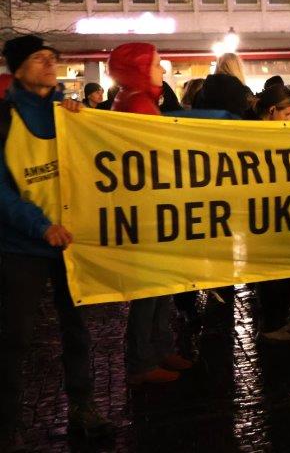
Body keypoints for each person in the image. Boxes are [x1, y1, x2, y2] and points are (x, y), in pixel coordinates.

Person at [0, 35, 114, 449]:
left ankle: (84, 406)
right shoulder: (4, 119)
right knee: (14, 338)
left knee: (77, 329)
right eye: (38, 58)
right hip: (22, 247)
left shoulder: (68, 113)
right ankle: (7, 425)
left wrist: (87, 122)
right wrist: (40, 226)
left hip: (71, 242)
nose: (49, 64)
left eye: (52, 58)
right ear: (17, 68)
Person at [108, 42, 193, 385]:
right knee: (151, 287)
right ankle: (143, 361)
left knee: (162, 283)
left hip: (150, 207)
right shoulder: (138, 104)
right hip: (148, 210)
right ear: (140, 69)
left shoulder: (136, 99)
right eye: (157, 64)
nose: (163, 70)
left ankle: (159, 348)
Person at [252, 86, 290, 342]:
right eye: (287, 115)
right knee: (274, 274)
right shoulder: (252, 134)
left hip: (282, 209)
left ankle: (279, 319)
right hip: (266, 215)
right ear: (272, 111)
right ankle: (271, 325)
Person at [193, 52, 254, 118]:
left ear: (218, 66)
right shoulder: (244, 92)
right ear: (238, 68)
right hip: (235, 127)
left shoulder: (200, 93)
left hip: (207, 127)